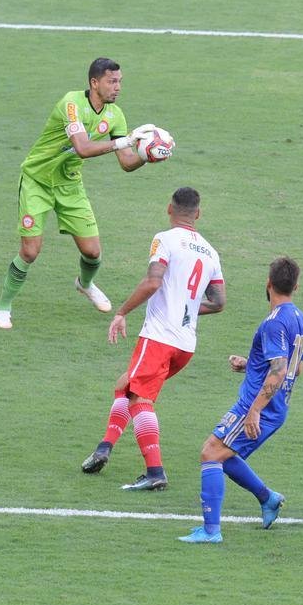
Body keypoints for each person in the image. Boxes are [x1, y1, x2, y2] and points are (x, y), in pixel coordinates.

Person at [0, 57, 164, 330]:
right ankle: (3, 306)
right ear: (94, 83)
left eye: (120, 81)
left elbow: (127, 162)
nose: (117, 87)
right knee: (30, 251)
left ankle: (85, 284)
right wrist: (127, 140)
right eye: (112, 81)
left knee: (93, 252)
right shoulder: (71, 103)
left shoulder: (115, 115)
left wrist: (148, 154)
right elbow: (83, 148)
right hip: (38, 181)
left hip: (70, 184)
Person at [81, 187, 225, 490]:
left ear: (169, 208)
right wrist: (186, 308)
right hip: (185, 344)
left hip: (160, 337)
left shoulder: (165, 239)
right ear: (198, 214)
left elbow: (153, 281)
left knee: (140, 399)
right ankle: (104, 448)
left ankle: (155, 472)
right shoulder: (211, 252)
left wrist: (121, 312)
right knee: (125, 385)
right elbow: (218, 301)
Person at [179, 257, 303, 544]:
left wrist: (254, 412)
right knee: (223, 456)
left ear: (268, 284)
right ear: (296, 287)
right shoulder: (301, 320)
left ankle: (211, 531)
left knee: (210, 453)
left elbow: (278, 371)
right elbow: (294, 367)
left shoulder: (274, 323)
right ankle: (268, 499)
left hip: (259, 406)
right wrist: (251, 365)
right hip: (277, 407)